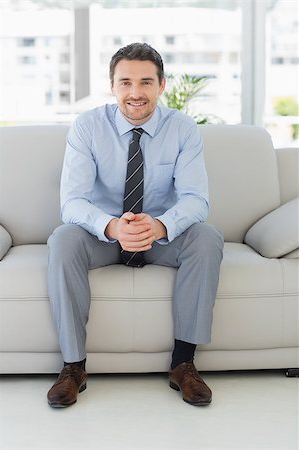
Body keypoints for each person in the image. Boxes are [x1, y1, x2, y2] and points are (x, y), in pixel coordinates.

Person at [47, 42, 223, 408]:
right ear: (112, 86)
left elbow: (196, 199)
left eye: (145, 82)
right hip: (105, 237)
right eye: (125, 82)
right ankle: (73, 367)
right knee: (63, 239)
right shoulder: (87, 127)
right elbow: (72, 202)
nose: (135, 93)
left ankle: (184, 364)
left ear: (161, 85)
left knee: (207, 237)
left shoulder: (184, 129)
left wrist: (159, 225)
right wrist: (111, 226)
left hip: (159, 237)